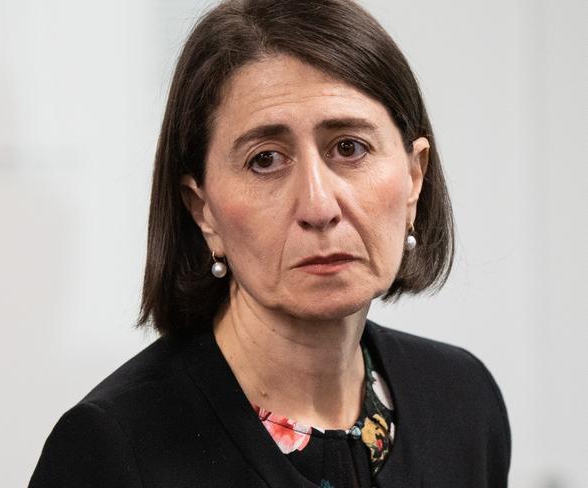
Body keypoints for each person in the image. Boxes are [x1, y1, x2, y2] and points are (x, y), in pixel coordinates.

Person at [29, 0, 511, 487]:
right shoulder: (113, 450)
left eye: (349, 147)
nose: (319, 206)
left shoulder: (463, 402)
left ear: (413, 177)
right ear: (203, 210)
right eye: (265, 160)